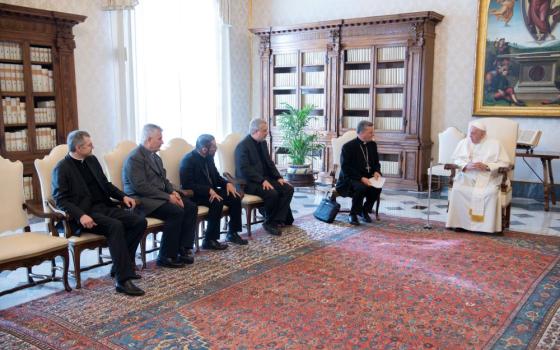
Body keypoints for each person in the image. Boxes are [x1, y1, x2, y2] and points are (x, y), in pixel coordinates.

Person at [52, 130, 147, 296]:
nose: (93, 147)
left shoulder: (91, 160)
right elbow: (61, 200)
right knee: (115, 226)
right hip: (85, 213)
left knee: (139, 221)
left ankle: (121, 266)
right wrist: (81, 215)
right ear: (78, 148)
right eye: (89, 145)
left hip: (104, 207)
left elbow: (105, 184)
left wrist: (123, 196)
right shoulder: (62, 168)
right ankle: (123, 280)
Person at [123, 124, 197, 268]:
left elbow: (164, 180)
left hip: (158, 197)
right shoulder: (135, 158)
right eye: (160, 138)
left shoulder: (155, 157)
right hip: (142, 201)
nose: (162, 142)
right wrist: (167, 197)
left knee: (190, 206)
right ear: (149, 139)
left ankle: (183, 248)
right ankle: (166, 256)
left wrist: (172, 192)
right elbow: (141, 186)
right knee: (175, 212)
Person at [180, 134, 248, 249]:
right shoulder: (188, 160)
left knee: (234, 197)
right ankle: (209, 240)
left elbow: (216, 177)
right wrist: (208, 190)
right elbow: (187, 184)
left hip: (212, 192)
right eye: (213, 147)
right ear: (204, 149)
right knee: (217, 202)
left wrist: (227, 184)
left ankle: (232, 233)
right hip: (197, 195)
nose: (215, 149)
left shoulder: (209, 158)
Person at [446, 121, 511, 233]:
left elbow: (505, 163)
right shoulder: (464, 143)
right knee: (458, 189)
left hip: (488, 178)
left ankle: (486, 227)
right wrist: (467, 165)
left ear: (483, 134)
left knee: (490, 193)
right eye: (470, 133)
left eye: (474, 133)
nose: (470, 136)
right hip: (468, 176)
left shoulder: (495, 144)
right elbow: (456, 159)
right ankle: (460, 224)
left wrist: (487, 166)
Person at [235, 118, 294, 236]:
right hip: (249, 183)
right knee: (272, 193)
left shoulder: (262, 143)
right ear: (256, 131)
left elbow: (269, 162)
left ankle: (277, 220)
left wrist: (278, 177)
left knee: (288, 188)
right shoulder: (242, 146)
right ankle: (269, 222)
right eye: (264, 130)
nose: (267, 133)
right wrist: (262, 180)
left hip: (265, 179)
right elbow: (245, 169)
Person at [335, 120, 382, 225]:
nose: (373, 134)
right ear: (361, 133)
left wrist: (376, 171)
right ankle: (353, 214)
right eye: (370, 132)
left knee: (377, 187)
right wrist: (361, 178)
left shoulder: (372, 145)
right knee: (361, 187)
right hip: (350, 178)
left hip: (368, 176)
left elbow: (376, 163)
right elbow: (345, 168)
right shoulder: (348, 147)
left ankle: (364, 211)